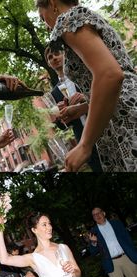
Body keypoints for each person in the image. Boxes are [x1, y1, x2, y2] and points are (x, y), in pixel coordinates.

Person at [35, 0, 137, 172]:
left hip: (123, 116)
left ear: (52, 3)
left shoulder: (68, 20)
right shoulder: (83, 17)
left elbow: (110, 75)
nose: (45, 24)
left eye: (42, 17)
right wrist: (83, 108)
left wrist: (84, 144)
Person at [44, 46, 103, 172]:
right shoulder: (54, 92)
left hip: (101, 129)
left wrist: (84, 97)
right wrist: (60, 117)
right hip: (82, 139)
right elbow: (64, 125)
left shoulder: (82, 75)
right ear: (49, 64)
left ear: (64, 54)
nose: (54, 58)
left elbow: (102, 95)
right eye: (50, 57)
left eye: (56, 53)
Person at [89, 207, 137, 277]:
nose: (97, 215)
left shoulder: (116, 223)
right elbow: (93, 252)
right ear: (93, 218)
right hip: (111, 262)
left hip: (126, 257)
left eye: (99, 213)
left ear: (104, 213)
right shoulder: (93, 231)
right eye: (94, 215)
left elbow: (127, 238)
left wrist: (133, 252)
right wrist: (93, 242)